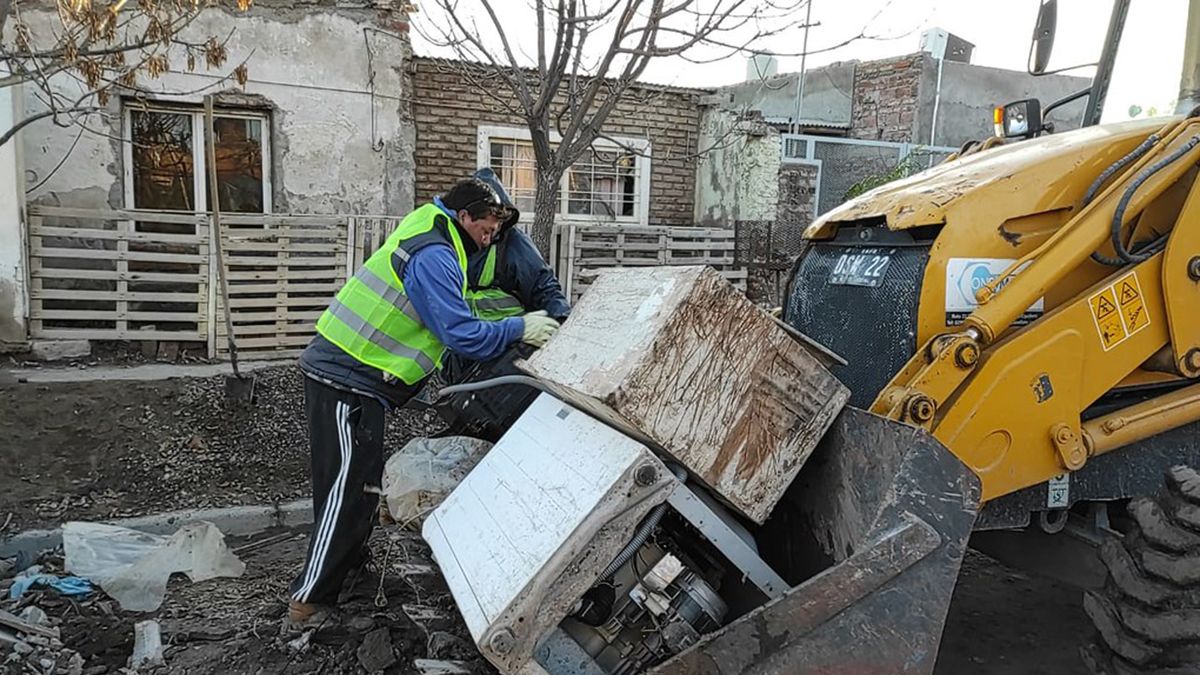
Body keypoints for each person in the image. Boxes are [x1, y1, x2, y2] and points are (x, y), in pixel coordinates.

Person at [286, 173, 560, 625]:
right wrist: (520, 328)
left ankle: (348, 575)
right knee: (347, 491)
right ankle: (309, 601)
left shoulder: (439, 232)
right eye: (485, 227)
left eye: (496, 230)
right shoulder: (436, 254)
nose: (491, 237)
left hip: (360, 377)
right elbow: (459, 332)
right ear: (464, 214)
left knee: (359, 486)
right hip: (348, 375)